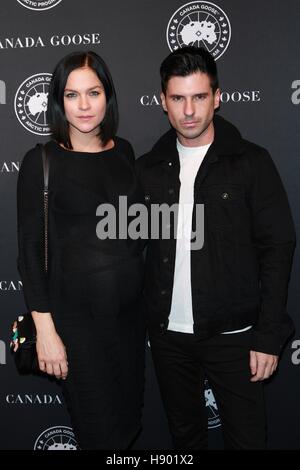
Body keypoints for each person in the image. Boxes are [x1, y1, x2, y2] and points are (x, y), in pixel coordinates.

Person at [136, 46, 296, 449]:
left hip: (235, 335)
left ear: (217, 97)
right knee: (184, 438)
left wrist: (266, 335)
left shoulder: (251, 162)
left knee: (246, 440)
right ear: (163, 103)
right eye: (178, 98)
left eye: (199, 96)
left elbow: (278, 247)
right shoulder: (147, 168)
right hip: (169, 337)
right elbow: (128, 247)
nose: (189, 110)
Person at [17, 50, 145, 450]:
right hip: (76, 329)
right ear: (58, 100)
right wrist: (47, 332)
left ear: (108, 96)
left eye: (94, 92)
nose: (85, 105)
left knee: (127, 427)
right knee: (98, 433)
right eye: (72, 95)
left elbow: (133, 232)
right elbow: (30, 254)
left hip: (127, 325)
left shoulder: (124, 152)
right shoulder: (41, 162)